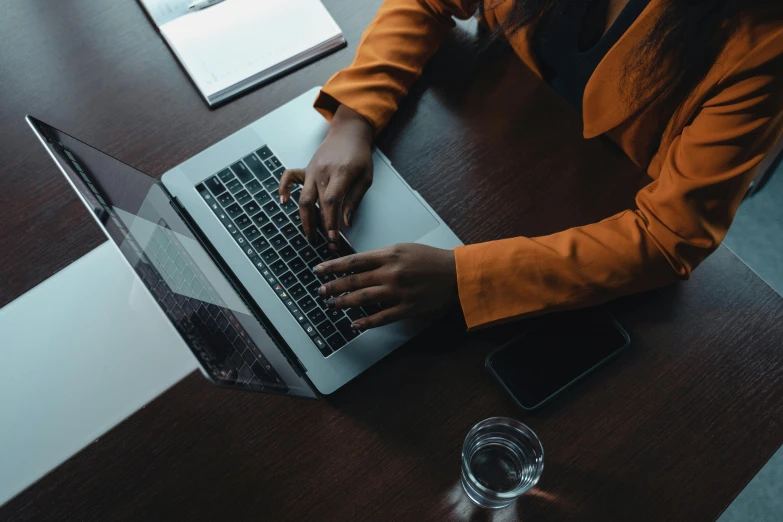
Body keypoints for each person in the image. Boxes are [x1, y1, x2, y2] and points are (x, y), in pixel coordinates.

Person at [278, 0, 783, 331]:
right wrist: (354, 120)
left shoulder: (761, 42)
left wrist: (465, 280)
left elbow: (668, 237)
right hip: (482, 151)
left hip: (585, 213)